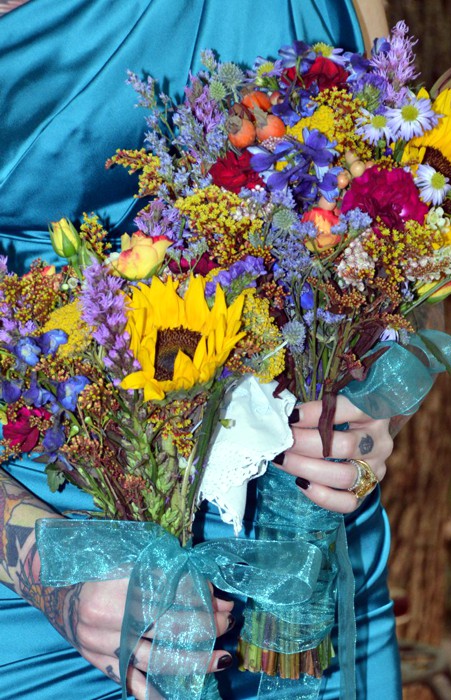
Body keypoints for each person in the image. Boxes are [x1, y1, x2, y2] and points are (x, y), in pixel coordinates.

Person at [0, 1, 400, 698]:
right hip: (68, 555)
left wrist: (363, 406)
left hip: (303, 552)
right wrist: (47, 566)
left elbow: (374, 218)